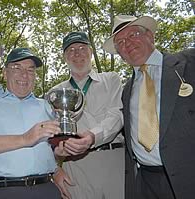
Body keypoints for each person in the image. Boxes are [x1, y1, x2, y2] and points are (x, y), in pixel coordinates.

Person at [103, 15, 195, 199]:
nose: (127, 43)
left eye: (133, 34)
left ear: (150, 36)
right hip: (146, 183)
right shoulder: (126, 90)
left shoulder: (189, 62)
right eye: (120, 42)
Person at [0, 47, 62, 199]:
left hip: (46, 189)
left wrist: (57, 169)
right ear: (4, 72)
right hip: (1, 191)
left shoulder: (46, 106)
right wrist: (24, 139)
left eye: (30, 70)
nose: (24, 75)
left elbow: (53, 147)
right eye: (16, 68)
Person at [52, 31, 124, 199]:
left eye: (82, 48)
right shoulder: (54, 92)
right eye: (71, 50)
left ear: (91, 53)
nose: (77, 53)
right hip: (75, 166)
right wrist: (54, 168)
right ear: (64, 57)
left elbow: (117, 116)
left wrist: (92, 137)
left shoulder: (111, 79)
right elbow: (47, 137)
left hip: (113, 160)